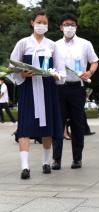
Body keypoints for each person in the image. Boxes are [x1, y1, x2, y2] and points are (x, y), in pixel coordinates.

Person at [10, 10, 66, 180]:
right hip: (28, 89)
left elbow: (60, 69)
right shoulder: (23, 43)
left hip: (47, 88)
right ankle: (25, 166)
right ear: (32, 22)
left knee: (47, 127)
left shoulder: (52, 45)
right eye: (39, 22)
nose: (41, 25)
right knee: (25, 126)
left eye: (45, 23)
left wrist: (56, 75)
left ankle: (46, 162)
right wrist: (22, 74)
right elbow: (13, 66)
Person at [52, 13, 99, 170]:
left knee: (77, 124)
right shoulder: (54, 45)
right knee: (58, 123)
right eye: (66, 24)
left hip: (77, 88)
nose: (69, 27)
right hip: (59, 87)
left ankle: (77, 158)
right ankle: (56, 159)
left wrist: (89, 73)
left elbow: (94, 61)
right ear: (61, 27)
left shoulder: (85, 44)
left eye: (72, 24)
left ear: (76, 27)